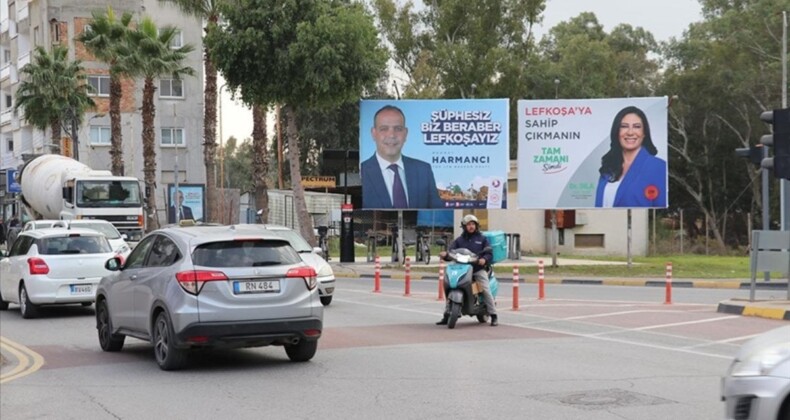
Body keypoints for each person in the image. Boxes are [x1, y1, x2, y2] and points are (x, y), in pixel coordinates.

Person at [361, 105, 444, 209]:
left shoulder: (423, 170)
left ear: (405, 134)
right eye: (384, 129)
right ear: (373, 133)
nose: (391, 135)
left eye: (398, 129)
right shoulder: (362, 172)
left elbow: (437, 210)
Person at [595, 106, 667, 208]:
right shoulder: (608, 166)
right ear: (617, 132)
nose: (630, 132)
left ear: (644, 133)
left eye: (637, 127)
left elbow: (660, 208)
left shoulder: (658, 167)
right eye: (624, 126)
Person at [436, 214, 498, 327]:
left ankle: (494, 315)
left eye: (473, 224)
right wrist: (445, 254)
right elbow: (451, 251)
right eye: (468, 224)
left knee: (485, 289)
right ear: (464, 226)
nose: (471, 226)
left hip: (477, 269)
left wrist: (484, 259)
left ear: (476, 226)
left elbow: (489, 252)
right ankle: (447, 314)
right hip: (462, 268)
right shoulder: (459, 240)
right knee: (450, 285)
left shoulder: (482, 239)